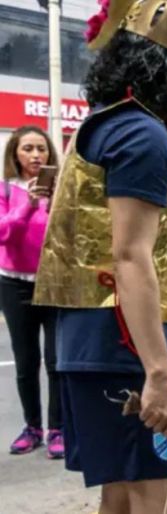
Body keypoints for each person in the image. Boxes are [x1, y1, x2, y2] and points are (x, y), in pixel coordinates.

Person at [31, 2, 167, 511]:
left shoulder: (104, 124)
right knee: (158, 500)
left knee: (121, 498)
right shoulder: (142, 134)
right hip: (123, 350)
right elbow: (131, 256)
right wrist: (158, 374)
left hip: (95, 348)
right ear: (162, 65)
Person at [1, 126, 61, 458]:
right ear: (15, 153)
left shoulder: (62, 189)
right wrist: (28, 205)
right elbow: (3, 234)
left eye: (42, 148)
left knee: (56, 362)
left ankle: (57, 429)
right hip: (13, 283)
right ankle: (32, 427)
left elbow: (70, 232)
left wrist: (53, 206)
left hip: (52, 283)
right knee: (27, 362)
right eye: (28, 149)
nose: (36, 155)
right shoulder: (5, 189)